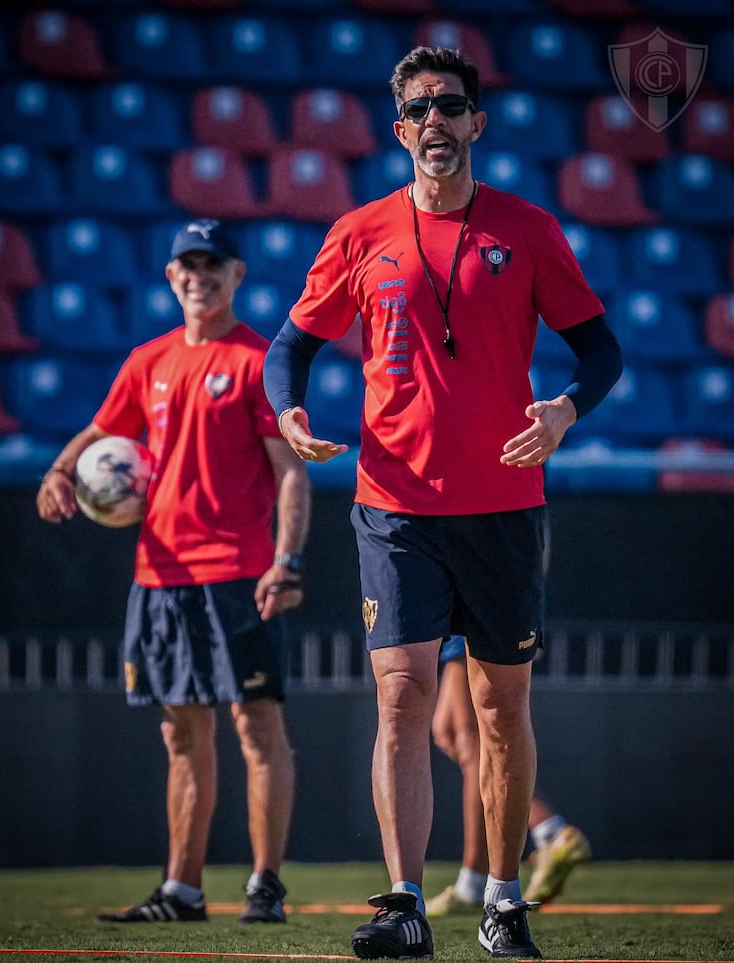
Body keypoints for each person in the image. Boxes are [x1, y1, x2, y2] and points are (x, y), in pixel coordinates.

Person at [263, 44, 622, 960]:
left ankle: (503, 902)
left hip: (504, 501)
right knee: (402, 696)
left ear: (476, 123)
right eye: (418, 110)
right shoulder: (359, 232)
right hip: (395, 505)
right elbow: (290, 348)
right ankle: (406, 904)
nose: (435, 123)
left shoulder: (530, 229)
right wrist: (287, 410)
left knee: (502, 708)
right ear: (399, 131)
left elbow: (601, 351)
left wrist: (566, 410)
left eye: (449, 107)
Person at [36, 219, 311, 926]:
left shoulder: (258, 361)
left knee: (257, 727)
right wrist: (63, 468)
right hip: (159, 574)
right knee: (181, 734)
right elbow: (101, 432)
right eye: (187, 265)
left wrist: (287, 559)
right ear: (169, 277)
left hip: (238, 573)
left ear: (237, 274)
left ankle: (265, 885)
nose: (199, 276)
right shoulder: (147, 360)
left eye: (213, 263)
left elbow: (291, 474)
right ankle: (182, 890)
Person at [428, 636, 592, 916]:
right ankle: (542, 833)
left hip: (471, 607)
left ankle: (546, 835)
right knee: (449, 731)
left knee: (473, 738)